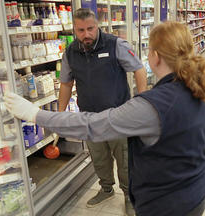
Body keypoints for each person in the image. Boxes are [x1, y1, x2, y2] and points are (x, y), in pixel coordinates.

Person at [5, 21, 205, 216]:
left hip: (167, 204)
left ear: (154, 56)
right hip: (200, 188)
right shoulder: (204, 88)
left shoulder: (151, 107)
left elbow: (91, 125)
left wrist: (35, 114)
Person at [56, 8, 147, 215]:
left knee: (124, 160)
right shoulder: (70, 52)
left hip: (118, 116)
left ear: (97, 26)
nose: (86, 34)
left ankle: (129, 195)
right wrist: (60, 115)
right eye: (81, 30)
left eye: (90, 28)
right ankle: (106, 189)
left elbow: (139, 69)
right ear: (74, 30)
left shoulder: (115, 44)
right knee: (99, 158)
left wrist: (143, 102)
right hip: (89, 118)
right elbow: (66, 84)